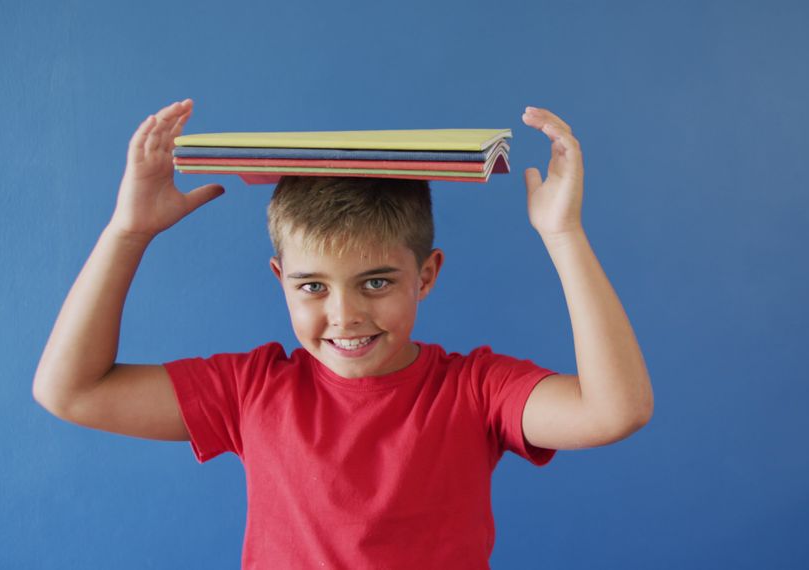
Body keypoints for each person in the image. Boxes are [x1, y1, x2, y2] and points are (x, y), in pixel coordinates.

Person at [32, 99, 654, 568]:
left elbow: (613, 410)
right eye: (313, 287)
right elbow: (72, 391)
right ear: (281, 280)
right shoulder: (251, 390)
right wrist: (127, 232)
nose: (345, 314)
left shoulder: (475, 389)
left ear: (427, 275)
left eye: (376, 283)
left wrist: (564, 236)